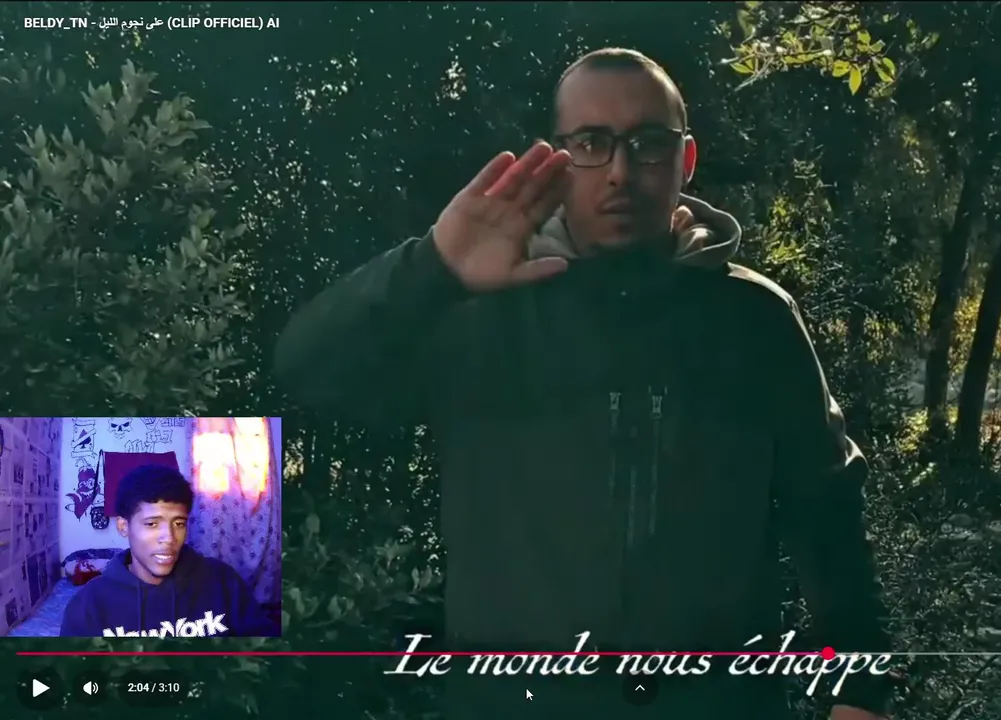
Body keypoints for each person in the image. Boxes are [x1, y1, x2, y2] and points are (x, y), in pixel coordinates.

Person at [275, 48, 892, 719]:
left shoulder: (754, 320)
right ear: (559, 160)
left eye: (648, 143)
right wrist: (433, 266)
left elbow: (825, 506)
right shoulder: (479, 316)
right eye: (593, 144)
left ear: (685, 159)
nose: (621, 172)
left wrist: (861, 693)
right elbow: (307, 369)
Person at [60, 464, 277, 638]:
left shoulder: (223, 582)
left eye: (179, 523)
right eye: (152, 524)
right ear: (123, 527)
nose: (170, 538)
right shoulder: (89, 607)